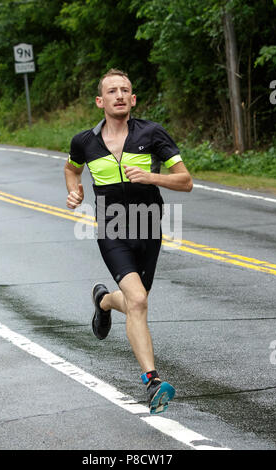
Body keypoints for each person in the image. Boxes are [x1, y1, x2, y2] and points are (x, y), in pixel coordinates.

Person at [64, 69, 193, 414]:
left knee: (136, 302)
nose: (119, 95)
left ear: (133, 99)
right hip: (112, 229)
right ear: (100, 101)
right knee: (137, 300)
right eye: (112, 91)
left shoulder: (152, 134)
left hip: (149, 227)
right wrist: (73, 191)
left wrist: (152, 176)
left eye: (125, 90)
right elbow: (72, 168)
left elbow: (186, 180)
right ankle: (152, 382)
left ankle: (104, 301)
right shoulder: (84, 141)